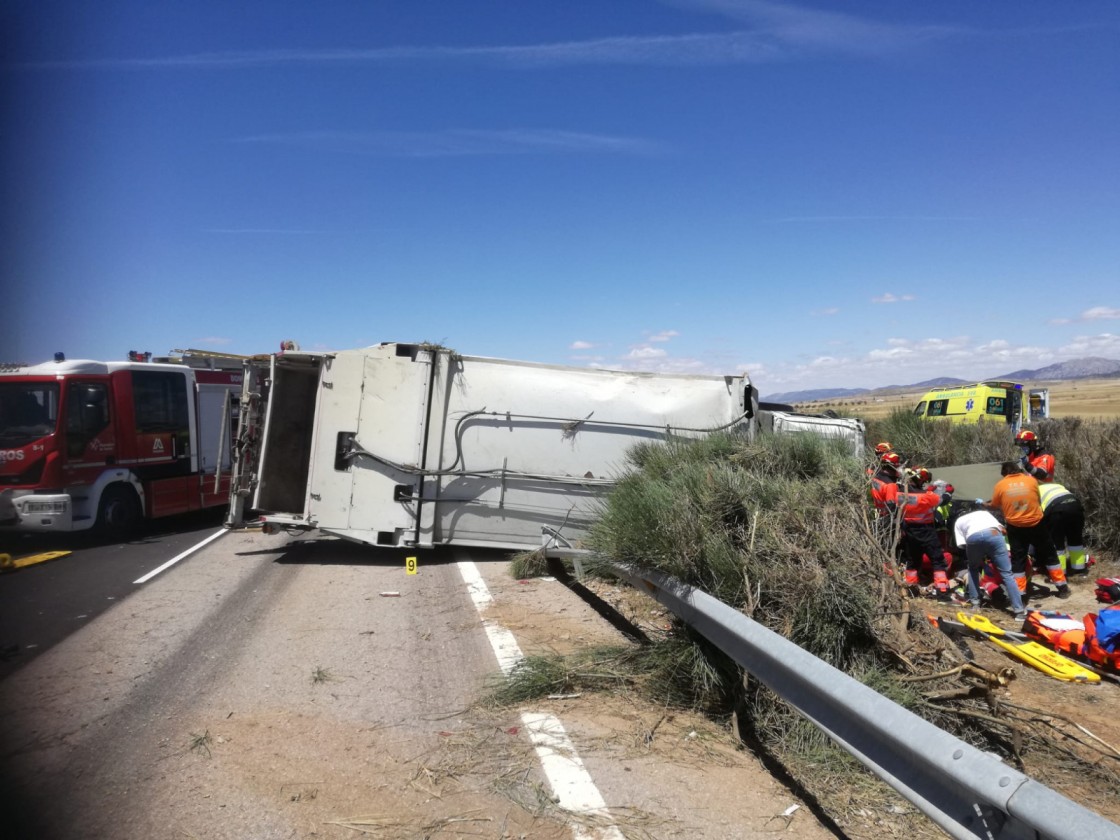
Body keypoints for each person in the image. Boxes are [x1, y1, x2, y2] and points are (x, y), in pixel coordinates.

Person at [988, 462, 1069, 599]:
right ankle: (1062, 587)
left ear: (1004, 474)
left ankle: (1020, 593)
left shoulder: (1000, 485)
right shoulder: (1031, 480)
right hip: (1037, 524)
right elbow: (1036, 498)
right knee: (1050, 554)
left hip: (1016, 527)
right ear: (1018, 470)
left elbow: (994, 505)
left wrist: (983, 504)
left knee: (1018, 560)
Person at [953, 500, 1026, 619]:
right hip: (994, 534)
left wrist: (977, 556)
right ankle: (1019, 611)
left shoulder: (959, 521)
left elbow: (962, 545)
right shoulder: (985, 513)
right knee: (1007, 574)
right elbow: (1002, 530)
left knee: (972, 569)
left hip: (973, 537)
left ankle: (975, 604)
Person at [900, 467, 953, 599]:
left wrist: (928, 491)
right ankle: (942, 592)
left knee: (912, 562)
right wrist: (948, 493)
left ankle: (911, 590)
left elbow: (915, 497)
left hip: (909, 532)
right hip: (926, 532)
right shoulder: (926, 496)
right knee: (938, 561)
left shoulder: (900, 494)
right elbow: (942, 501)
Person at [1039, 481, 1090, 576]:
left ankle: (1060, 573)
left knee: (1057, 543)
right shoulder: (1057, 485)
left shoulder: (1035, 490)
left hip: (1056, 510)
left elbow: (1038, 514)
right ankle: (1079, 569)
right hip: (1075, 507)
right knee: (1076, 539)